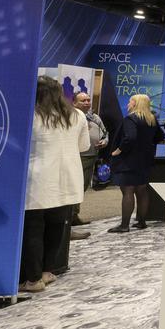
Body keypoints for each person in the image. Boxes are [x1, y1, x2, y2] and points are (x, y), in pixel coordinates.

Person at [21, 77, 89, 292]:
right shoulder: (77, 115)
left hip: (38, 180)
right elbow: (84, 146)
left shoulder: (30, 115)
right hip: (68, 180)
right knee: (57, 227)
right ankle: (47, 272)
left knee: (33, 229)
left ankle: (33, 280)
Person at [107, 93, 165, 233]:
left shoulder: (130, 119)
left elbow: (130, 137)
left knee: (128, 191)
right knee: (141, 190)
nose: (128, 104)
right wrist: (147, 146)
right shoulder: (151, 119)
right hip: (145, 160)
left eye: (130, 102)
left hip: (129, 161)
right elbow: (160, 136)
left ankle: (124, 225)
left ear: (135, 104)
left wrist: (119, 150)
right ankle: (141, 222)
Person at [72, 91, 107, 231]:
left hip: (92, 156)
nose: (87, 103)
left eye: (88, 100)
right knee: (75, 186)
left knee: (83, 186)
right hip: (77, 156)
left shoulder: (95, 117)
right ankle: (71, 216)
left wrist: (105, 141)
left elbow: (105, 133)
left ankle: (74, 215)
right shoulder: (72, 116)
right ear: (74, 103)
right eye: (83, 100)